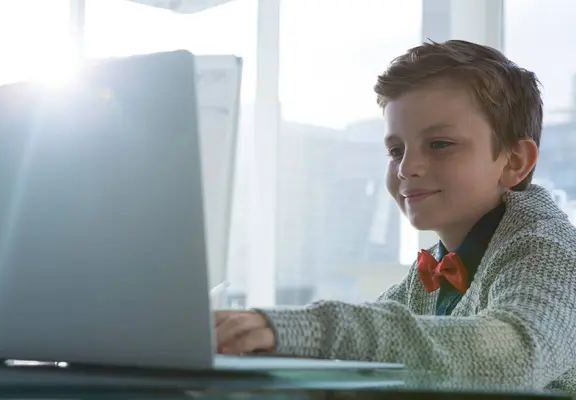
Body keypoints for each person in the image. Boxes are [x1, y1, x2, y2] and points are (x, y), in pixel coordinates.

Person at [214, 40, 576, 394]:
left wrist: (306, 328)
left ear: (514, 162)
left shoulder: (548, 249)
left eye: (439, 144)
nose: (408, 167)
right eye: (395, 150)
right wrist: (250, 332)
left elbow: (515, 356)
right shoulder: (436, 269)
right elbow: (382, 344)